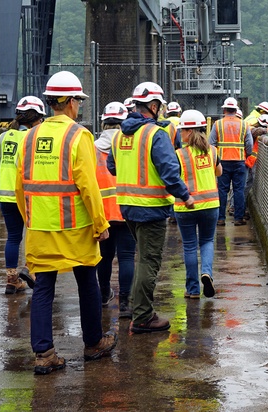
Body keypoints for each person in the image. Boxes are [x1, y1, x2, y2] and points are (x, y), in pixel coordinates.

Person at [14, 71, 115, 375]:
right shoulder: (78, 136)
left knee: (44, 287)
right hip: (75, 228)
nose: (79, 106)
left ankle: (44, 353)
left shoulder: (29, 136)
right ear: (71, 102)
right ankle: (94, 343)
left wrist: (28, 218)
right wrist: (100, 222)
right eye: (78, 101)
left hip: (40, 228)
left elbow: (20, 186)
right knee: (88, 282)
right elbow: (88, 185)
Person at [109, 81, 195, 334]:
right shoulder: (156, 134)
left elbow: (112, 167)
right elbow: (169, 172)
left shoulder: (120, 135)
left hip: (126, 206)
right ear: (155, 106)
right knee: (149, 261)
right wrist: (185, 196)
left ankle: (139, 310)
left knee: (141, 258)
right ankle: (143, 316)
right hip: (151, 208)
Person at [0, 96, 45, 294]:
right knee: (34, 234)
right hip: (26, 195)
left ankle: (12, 280)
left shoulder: (3, 137)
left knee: (13, 237)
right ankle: (32, 272)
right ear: (36, 118)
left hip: (5, 196)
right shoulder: (33, 138)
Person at [174, 110, 222, 299]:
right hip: (210, 205)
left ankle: (193, 290)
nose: (180, 134)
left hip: (186, 206)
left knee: (189, 245)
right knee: (207, 241)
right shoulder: (212, 150)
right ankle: (207, 273)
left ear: (190, 131)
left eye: (182, 130)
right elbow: (219, 172)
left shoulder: (179, 154)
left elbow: (173, 178)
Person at [94, 101, 135, 318]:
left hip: (101, 213)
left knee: (105, 257)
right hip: (126, 209)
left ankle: (102, 296)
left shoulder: (92, 148)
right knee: (127, 257)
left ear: (103, 123)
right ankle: (126, 304)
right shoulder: (129, 145)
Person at [209, 97, 253, 226]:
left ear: (224, 110)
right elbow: (249, 144)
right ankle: (238, 218)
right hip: (239, 161)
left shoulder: (218, 124)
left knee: (222, 190)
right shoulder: (244, 124)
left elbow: (211, 143)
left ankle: (220, 218)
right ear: (236, 110)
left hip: (222, 162)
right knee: (239, 190)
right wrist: (246, 153)